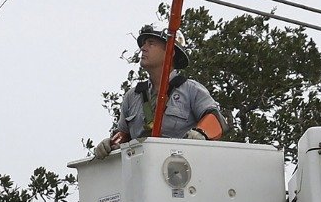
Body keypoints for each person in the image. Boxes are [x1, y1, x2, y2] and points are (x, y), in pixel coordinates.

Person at [94, 25, 224, 156]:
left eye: (151, 44)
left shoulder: (191, 90)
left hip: (181, 167)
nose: (143, 48)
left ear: (170, 52)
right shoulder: (132, 96)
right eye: (143, 44)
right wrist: (110, 144)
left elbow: (216, 118)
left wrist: (201, 134)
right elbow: (124, 135)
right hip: (142, 169)